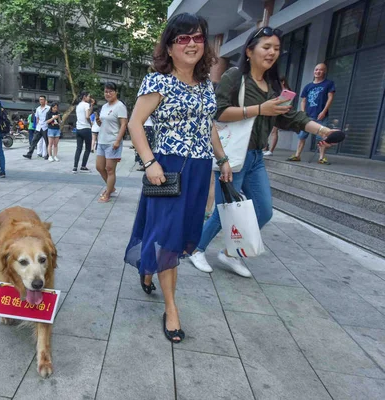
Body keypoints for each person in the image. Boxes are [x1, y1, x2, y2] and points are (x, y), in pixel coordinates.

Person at [189, 26, 334, 277]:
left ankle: (230, 253)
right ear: (249, 50)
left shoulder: (274, 85)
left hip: (255, 156)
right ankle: (196, 250)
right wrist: (259, 109)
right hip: (233, 155)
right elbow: (217, 111)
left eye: (276, 48)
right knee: (226, 210)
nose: (272, 53)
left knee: (264, 211)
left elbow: (292, 117)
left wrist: (322, 131)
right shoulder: (235, 77)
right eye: (266, 47)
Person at [124, 13, 232, 343]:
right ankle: (171, 308)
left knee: (177, 231)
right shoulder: (159, 81)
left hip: (199, 170)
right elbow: (135, 124)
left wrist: (222, 158)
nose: (191, 44)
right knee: (167, 235)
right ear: (169, 47)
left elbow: (208, 125)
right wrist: (150, 162)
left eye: (197, 37)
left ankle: (148, 267)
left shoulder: (206, 87)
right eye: (182, 38)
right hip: (168, 166)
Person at [287, 63, 335, 164]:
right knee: (301, 136)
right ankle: (297, 155)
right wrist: (303, 113)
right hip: (308, 116)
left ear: (324, 71)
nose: (318, 72)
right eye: (316, 69)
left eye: (320, 70)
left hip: (321, 116)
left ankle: (321, 158)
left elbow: (330, 98)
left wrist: (324, 111)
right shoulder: (308, 86)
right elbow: (303, 101)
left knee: (321, 137)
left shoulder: (328, 84)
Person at [96, 82, 127, 203]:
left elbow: (124, 124)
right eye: (106, 91)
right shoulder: (104, 107)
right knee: (99, 167)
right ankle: (111, 187)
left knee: (109, 169)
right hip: (102, 140)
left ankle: (108, 193)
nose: (108, 94)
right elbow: (103, 124)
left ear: (116, 92)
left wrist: (117, 141)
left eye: (110, 91)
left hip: (112, 142)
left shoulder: (120, 106)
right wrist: (98, 121)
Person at [263, 76, 291, 156]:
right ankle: (265, 147)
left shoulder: (286, 91)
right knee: (267, 130)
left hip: (279, 112)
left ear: (283, 82)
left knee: (274, 131)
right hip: (271, 111)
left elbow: (286, 103)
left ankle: (271, 150)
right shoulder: (275, 89)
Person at [73, 91, 93, 173]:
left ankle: (75, 167)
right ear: (84, 97)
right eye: (88, 96)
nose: (89, 98)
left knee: (78, 148)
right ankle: (83, 166)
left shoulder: (78, 105)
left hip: (78, 129)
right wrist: (90, 123)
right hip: (86, 128)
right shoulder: (86, 105)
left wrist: (91, 105)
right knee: (88, 148)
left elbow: (88, 113)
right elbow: (88, 116)